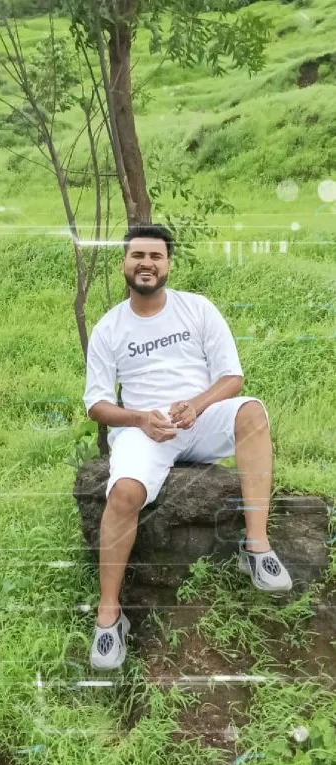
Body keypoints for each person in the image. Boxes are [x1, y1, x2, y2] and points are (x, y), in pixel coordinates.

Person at [83, 223, 292, 670]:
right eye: (138, 255)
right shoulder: (109, 327)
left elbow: (232, 378)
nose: (146, 264)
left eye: (155, 256)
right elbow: (97, 405)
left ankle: (256, 548)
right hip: (145, 430)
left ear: (168, 264)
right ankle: (108, 616)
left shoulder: (196, 309)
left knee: (251, 411)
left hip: (197, 419)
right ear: (124, 263)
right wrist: (140, 418)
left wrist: (197, 406)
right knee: (124, 493)